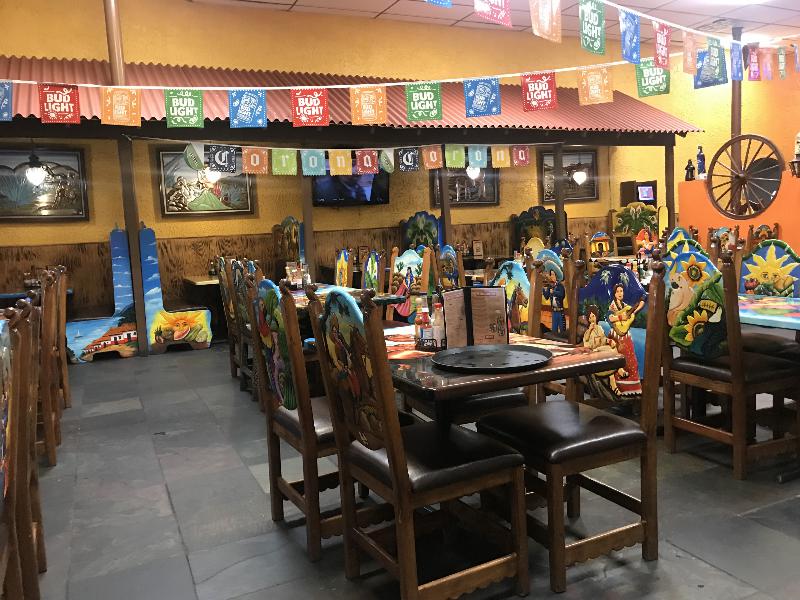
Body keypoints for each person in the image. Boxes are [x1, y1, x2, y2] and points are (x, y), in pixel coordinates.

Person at [606, 283, 644, 396]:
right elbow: (610, 318)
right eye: (617, 291)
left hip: (626, 335)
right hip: (616, 335)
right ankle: (617, 385)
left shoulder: (626, 306)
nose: (620, 293)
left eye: (621, 291)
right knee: (617, 357)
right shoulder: (612, 306)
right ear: (614, 294)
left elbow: (632, 312)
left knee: (630, 359)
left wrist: (638, 306)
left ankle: (631, 388)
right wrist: (621, 317)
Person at [542, 266, 566, 336]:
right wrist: (543, 289)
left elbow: (562, 295)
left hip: (560, 311)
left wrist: (554, 292)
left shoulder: (560, 286)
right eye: (551, 275)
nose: (551, 276)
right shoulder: (550, 286)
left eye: (553, 274)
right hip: (554, 311)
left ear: (556, 276)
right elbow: (546, 297)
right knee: (554, 329)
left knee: (562, 329)